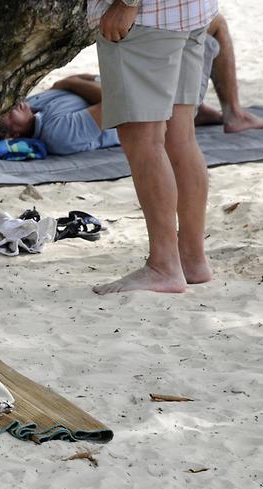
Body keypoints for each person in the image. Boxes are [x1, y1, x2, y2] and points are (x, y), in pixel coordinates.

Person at [0, 14, 260, 157]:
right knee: (215, 23)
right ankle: (234, 112)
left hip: (140, 86)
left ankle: (216, 114)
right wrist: (68, 82)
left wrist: (75, 83)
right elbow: (119, 102)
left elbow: (88, 83)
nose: (13, 105)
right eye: (8, 115)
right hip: (154, 106)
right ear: (14, 137)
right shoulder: (59, 133)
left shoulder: (32, 106)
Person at [86, 0, 219, 294]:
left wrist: (126, 3)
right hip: (189, 11)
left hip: (146, 18)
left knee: (144, 140)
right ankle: (191, 259)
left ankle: (164, 266)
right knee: (179, 137)